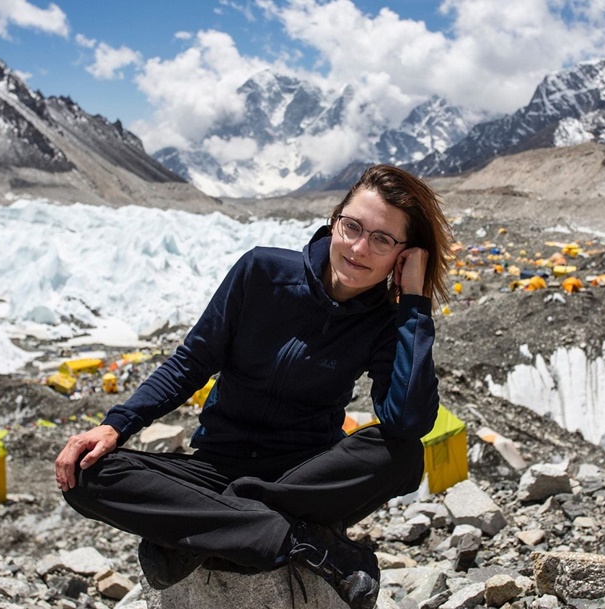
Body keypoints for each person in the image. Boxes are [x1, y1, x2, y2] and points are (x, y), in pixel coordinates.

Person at [55, 164, 452, 609]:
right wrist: (116, 426)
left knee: (402, 454)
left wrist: (414, 304)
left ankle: (214, 527)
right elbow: (193, 360)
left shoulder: (384, 322)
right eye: (352, 226)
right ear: (334, 219)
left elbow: (407, 420)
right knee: (87, 473)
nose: (359, 248)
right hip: (216, 465)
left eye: (382, 240)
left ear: (403, 255)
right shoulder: (261, 272)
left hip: (303, 474)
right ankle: (302, 540)